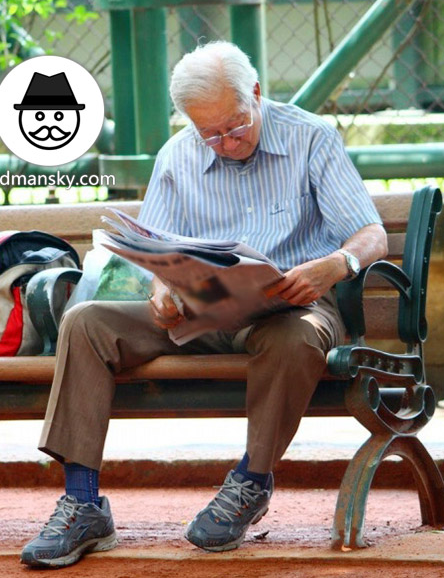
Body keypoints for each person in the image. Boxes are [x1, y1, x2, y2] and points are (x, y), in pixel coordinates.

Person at [21, 41, 387, 567]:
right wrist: (162, 291)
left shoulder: (311, 138)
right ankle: (82, 504)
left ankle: (251, 481)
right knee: (85, 322)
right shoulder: (177, 155)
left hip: (290, 306)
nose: (225, 142)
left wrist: (336, 265)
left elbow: (370, 234)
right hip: (203, 309)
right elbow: (155, 256)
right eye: (208, 133)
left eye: (235, 126)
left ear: (257, 94)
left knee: (297, 335)